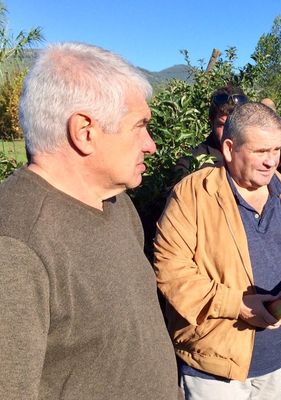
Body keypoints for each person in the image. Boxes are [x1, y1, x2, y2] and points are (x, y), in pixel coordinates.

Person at [0, 42, 179, 399]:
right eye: (140, 126)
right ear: (84, 131)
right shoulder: (16, 246)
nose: (150, 144)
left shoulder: (116, 203)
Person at [154, 102, 281, 399]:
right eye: (260, 152)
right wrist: (238, 305)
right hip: (213, 362)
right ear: (229, 149)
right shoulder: (193, 195)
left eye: (276, 151)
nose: (271, 162)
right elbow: (171, 273)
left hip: (275, 362)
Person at [174, 85, 248, 176]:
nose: (229, 132)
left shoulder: (256, 157)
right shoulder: (190, 163)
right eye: (222, 125)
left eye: (236, 125)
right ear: (212, 122)